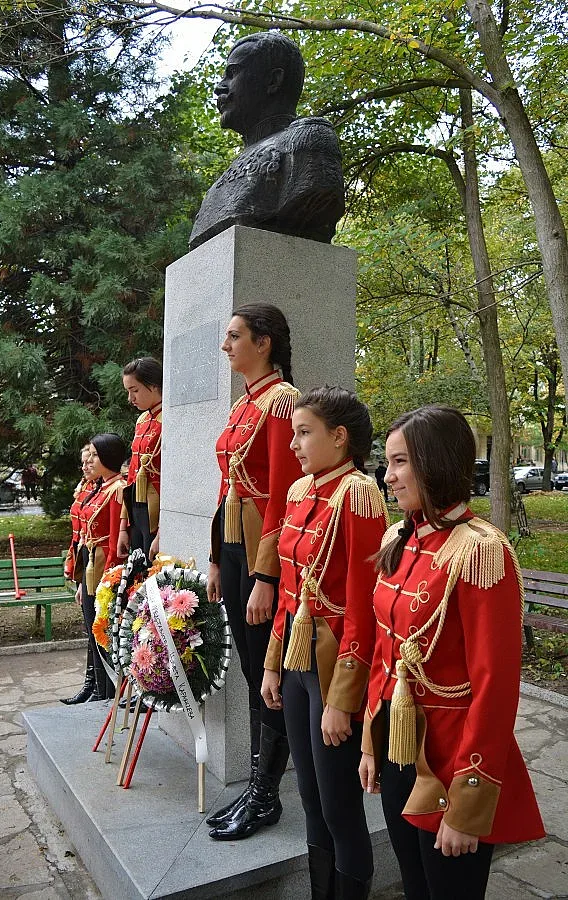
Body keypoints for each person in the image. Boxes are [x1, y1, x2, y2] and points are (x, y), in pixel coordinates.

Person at [359, 406, 545, 900]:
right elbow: (385, 652)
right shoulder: (399, 538)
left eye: (400, 462)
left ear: (434, 462)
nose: (389, 475)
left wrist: (467, 803)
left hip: (452, 760)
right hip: (400, 748)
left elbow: (496, 687)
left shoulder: (481, 551)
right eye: (389, 462)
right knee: (414, 886)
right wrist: (371, 742)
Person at [261, 387, 388, 899]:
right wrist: (273, 665)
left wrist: (342, 698)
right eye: (293, 433)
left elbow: (362, 606)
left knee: (338, 801)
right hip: (295, 658)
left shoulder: (358, 493)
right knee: (310, 798)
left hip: (334, 666)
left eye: (304, 433)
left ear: (339, 438)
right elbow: (290, 591)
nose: (293, 445)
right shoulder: (298, 492)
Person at [206, 303, 302, 841]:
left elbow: (285, 498)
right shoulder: (244, 405)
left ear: (263, 343)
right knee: (248, 664)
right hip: (237, 544)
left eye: (234, 336)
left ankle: (267, 794)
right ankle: (257, 784)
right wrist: (220, 558)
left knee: (267, 668)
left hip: (267, 552)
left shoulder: (281, 402)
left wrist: (266, 577)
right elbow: (226, 488)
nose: (226, 346)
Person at [189, 31, 344, 250]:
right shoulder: (220, 181)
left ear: (273, 81)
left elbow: (314, 198)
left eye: (232, 73)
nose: (220, 87)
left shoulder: (308, 140)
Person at [75, 433, 127, 702]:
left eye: (95, 455)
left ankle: (107, 692)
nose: (90, 460)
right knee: (92, 629)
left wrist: (108, 580)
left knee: (102, 631)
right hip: (91, 564)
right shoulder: (100, 487)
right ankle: (97, 689)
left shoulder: (117, 489)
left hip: (104, 566)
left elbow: (115, 541)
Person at [61, 444, 98, 705]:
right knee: (90, 627)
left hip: (96, 562)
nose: (86, 466)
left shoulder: (105, 489)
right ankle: (90, 683)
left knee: (95, 627)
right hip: (85, 561)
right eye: (83, 462)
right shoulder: (85, 489)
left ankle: (95, 685)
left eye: (90, 461)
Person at [118, 357, 163, 564]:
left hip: (156, 509)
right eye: (128, 391)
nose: (130, 398)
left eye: (134, 390)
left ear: (153, 385)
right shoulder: (142, 421)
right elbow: (132, 475)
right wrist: (123, 527)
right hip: (136, 506)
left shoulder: (169, 419)